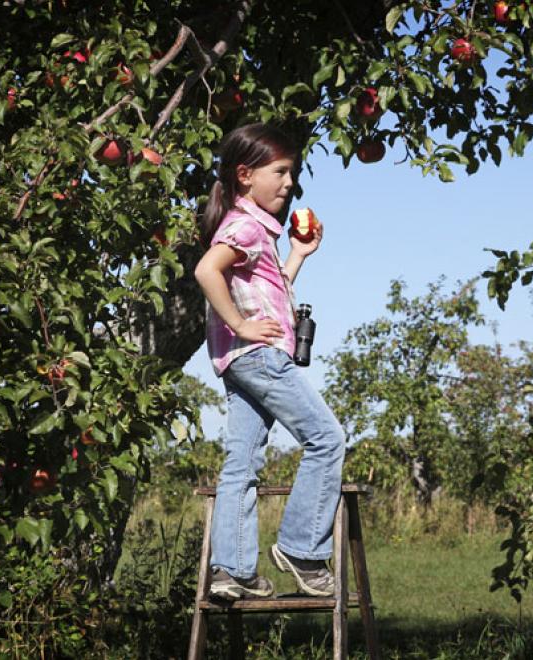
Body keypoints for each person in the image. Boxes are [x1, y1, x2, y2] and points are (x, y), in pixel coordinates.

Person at [194, 123, 345, 599]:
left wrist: (298, 255)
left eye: (292, 173)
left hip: (237, 361)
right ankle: (301, 548)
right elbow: (206, 270)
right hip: (258, 354)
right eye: (279, 172)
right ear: (245, 175)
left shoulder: (253, 229)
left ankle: (232, 570)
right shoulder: (245, 225)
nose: (288, 183)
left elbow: (269, 285)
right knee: (326, 438)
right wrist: (240, 325)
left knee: (241, 464)